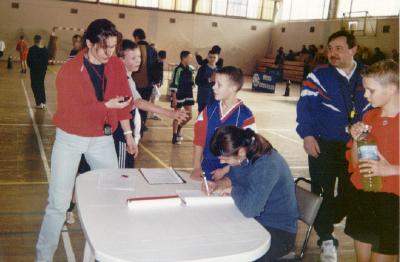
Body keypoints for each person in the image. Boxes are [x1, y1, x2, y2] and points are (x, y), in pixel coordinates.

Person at [35, 19, 135, 261]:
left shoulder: (115, 65)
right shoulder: (69, 71)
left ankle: (96, 255)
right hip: (70, 138)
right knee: (58, 204)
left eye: (113, 47)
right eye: (104, 47)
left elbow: (123, 101)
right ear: (89, 43)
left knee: (111, 196)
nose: (109, 53)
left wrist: (129, 134)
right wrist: (105, 106)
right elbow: (73, 112)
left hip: (102, 138)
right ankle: (43, 256)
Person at [296, 30, 370, 262]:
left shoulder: (367, 76)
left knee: (352, 193)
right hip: (323, 144)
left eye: (338, 48)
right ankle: (326, 238)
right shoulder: (319, 75)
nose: (332, 53)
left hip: (356, 148)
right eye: (330, 49)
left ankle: (324, 218)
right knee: (322, 191)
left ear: (353, 50)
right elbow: (305, 106)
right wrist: (307, 135)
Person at [203, 126, 299, 261]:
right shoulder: (244, 157)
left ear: (241, 152)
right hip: (254, 222)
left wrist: (232, 191)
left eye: (225, 159)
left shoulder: (267, 165)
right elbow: (231, 179)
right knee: (213, 239)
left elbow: (249, 209)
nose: (221, 162)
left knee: (229, 253)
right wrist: (217, 185)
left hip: (278, 231)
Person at [346, 60, 399, 262]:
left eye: (371, 90)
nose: (365, 95)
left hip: (392, 203)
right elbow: (355, 162)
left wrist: (391, 169)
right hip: (363, 196)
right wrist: (357, 140)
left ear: (392, 88)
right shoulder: (369, 116)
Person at [115, 40, 187, 167]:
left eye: (139, 57)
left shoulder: (128, 77)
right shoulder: (121, 78)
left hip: (128, 125)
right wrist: (169, 113)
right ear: (121, 60)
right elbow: (138, 102)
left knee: (127, 167)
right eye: (133, 58)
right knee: (122, 171)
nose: (138, 60)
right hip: (121, 129)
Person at [192, 66, 256, 181]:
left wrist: (225, 171)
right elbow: (199, 140)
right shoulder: (208, 110)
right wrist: (197, 167)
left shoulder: (246, 116)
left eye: (219, 85)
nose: (214, 87)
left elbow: (249, 150)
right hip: (207, 169)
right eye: (214, 83)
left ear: (233, 88)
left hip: (232, 172)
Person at [132, 28, 158, 135]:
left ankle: (135, 128)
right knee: (144, 107)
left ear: (136, 37)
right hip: (148, 84)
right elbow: (156, 67)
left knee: (133, 107)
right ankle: (141, 127)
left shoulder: (134, 48)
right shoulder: (152, 50)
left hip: (134, 84)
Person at [170, 50, 194, 144]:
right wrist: (174, 98)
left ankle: (179, 128)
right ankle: (174, 137)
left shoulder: (190, 69)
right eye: (189, 57)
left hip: (188, 94)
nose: (190, 59)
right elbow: (174, 83)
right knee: (177, 116)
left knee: (189, 116)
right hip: (178, 95)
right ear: (183, 58)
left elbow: (191, 82)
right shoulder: (177, 69)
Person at [27, 35, 49, 109]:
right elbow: (46, 61)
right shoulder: (45, 50)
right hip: (42, 71)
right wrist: (44, 68)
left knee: (35, 86)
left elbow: (29, 61)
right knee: (41, 84)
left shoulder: (31, 49)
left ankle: (39, 102)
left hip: (34, 71)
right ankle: (43, 101)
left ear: (34, 40)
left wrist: (32, 67)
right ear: (41, 40)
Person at [148, 50, 167, 120]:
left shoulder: (160, 63)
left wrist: (160, 81)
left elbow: (160, 73)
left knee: (152, 99)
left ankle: (151, 114)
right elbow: (154, 73)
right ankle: (150, 114)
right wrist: (156, 82)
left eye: (163, 59)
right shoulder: (154, 63)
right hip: (151, 83)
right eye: (161, 58)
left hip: (154, 83)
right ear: (158, 56)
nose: (162, 60)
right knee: (150, 99)